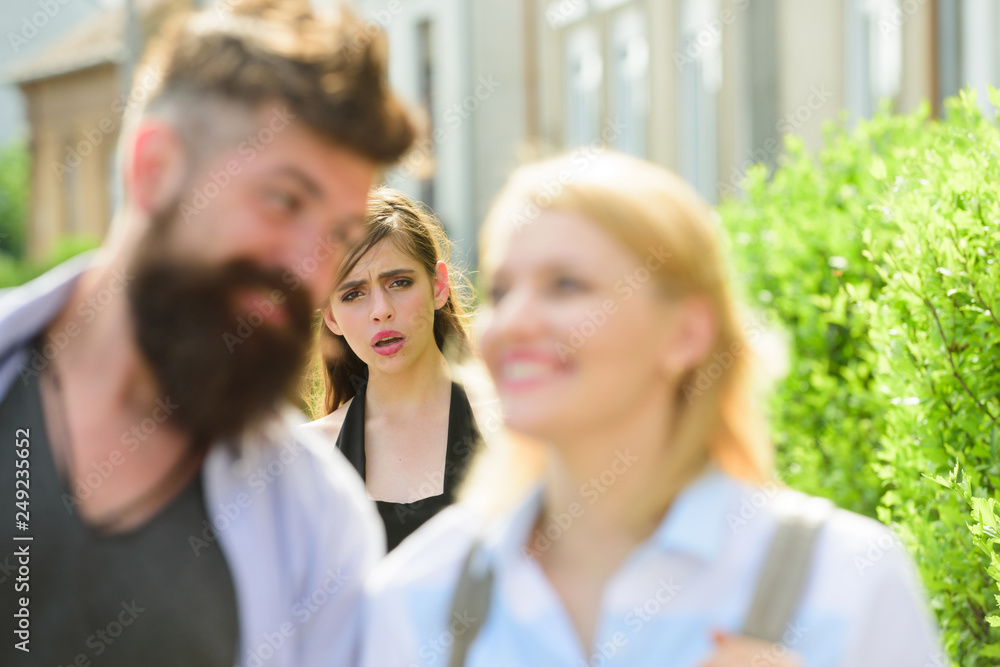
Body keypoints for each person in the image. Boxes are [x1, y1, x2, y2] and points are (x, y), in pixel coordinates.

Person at [360, 153, 942, 666]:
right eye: (503, 292)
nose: (513, 324)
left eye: (566, 285)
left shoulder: (846, 582)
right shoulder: (418, 597)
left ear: (686, 332)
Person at [0, 1, 415, 666]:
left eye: (338, 235)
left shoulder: (317, 527)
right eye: (283, 200)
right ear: (154, 169)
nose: (310, 267)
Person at [300, 187, 484, 552]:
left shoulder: (512, 425)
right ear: (332, 316)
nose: (380, 310)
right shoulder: (309, 456)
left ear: (439, 286)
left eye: (399, 283)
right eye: (354, 294)